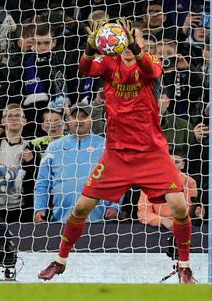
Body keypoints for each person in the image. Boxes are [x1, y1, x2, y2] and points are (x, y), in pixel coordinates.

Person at [38, 19, 195, 283]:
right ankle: (61, 260)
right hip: (117, 155)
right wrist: (90, 48)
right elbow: (85, 67)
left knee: (180, 208)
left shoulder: (152, 63)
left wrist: (132, 42)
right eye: (122, 40)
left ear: (143, 43)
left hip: (151, 153)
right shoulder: (108, 64)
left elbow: (149, 69)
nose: (126, 45)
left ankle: (185, 265)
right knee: (80, 209)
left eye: (134, 39)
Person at [34, 103, 118, 223]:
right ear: (68, 121)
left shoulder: (106, 146)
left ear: (91, 119)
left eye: (84, 116)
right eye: (75, 116)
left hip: (98, 222)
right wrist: (39, 208)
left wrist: (115, 206)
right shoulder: (53, 148)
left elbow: (118, 179)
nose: (79, 120)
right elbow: (42, 182)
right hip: (61, 221)